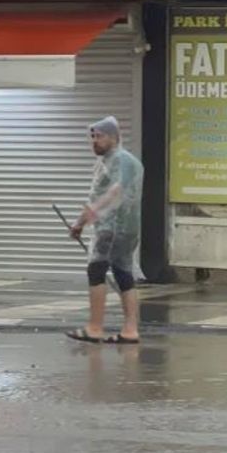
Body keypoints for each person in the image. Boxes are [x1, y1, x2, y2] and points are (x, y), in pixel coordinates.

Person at [66, 116, 144, 344]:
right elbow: (98, 195)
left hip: (113, 227)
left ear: (114, 137)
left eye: (99, 136)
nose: (94, 141)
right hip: (118, 227)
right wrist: (80, 222)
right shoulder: (110, 161)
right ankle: (130, 330)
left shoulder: (121, 159)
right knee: (123, 274)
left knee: (96, 271)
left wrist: (92, 214)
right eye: (92, 136)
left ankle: (95, 327)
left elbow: (115, 191)